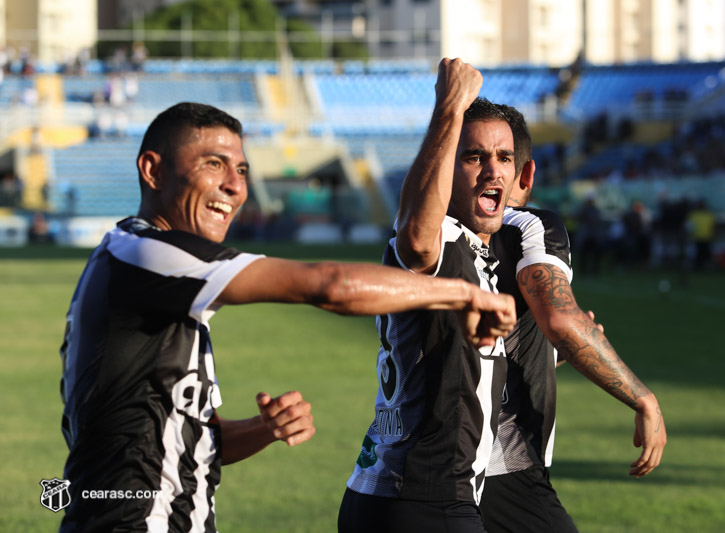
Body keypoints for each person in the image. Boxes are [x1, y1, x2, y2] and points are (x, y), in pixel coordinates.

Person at [59, 102, 516, 533]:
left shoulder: (140, 265)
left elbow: (180, 448)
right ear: (153, 170)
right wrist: (461, 293)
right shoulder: (146, 254)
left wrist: (263, 429)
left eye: (241, 170)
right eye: (213, 164)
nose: (235, 186)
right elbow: (328, 285)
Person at [338, 59, 518, 533]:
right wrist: (450, 106)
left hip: (386, 489)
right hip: (428, 499)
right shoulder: (444, 243)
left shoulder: (474, 255)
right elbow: (419, 236)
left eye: (504, 157)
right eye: (473, 156)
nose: (492, 171)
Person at [481, 105, 667, 532]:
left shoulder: (425, 234)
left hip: (398, 471)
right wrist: (643, 399)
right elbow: (562, 321)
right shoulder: (528, 224)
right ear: (527, 177)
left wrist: (544, 357)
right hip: (499, 466)